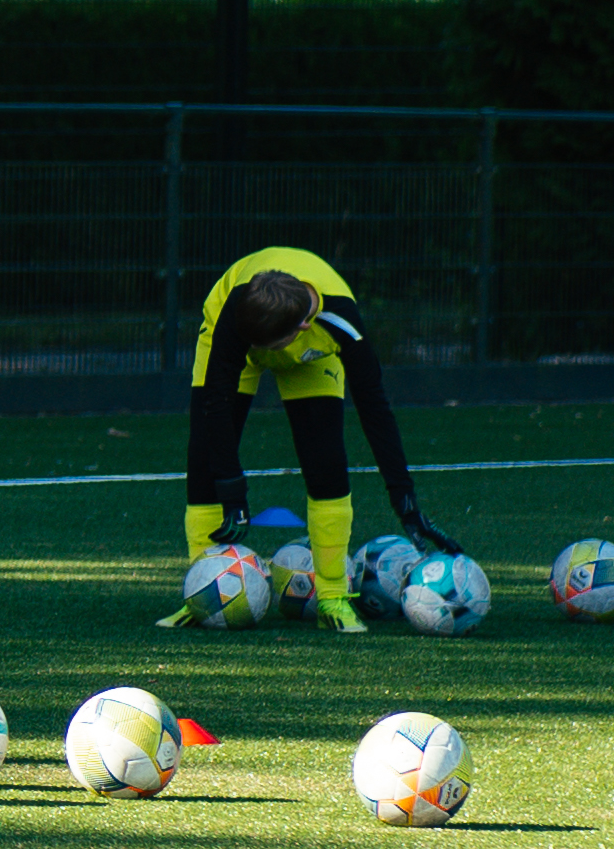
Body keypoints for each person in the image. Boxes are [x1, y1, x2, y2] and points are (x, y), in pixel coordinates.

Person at [159, 242, 456, 634]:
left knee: (326, 462)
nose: (260, 354)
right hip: (228, 334)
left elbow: (374, 408)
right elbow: (215, 403)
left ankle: (332, 596)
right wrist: (233, 490)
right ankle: (201, 594)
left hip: (312, 354)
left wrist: (405, 500)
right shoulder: (238, 311)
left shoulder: (341, 322)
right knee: (204, 459)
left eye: (267, 347)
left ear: (300, 327)